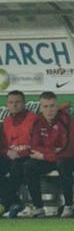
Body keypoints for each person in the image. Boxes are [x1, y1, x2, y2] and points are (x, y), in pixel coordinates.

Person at [21, 92, 74, 217]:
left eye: (52, 106)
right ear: (41, 107)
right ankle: (39, 207)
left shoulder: (66, 120)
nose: (49, 110)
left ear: (57, 106)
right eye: (46, 106)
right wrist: (52, 153)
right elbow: (35, 147)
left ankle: (68, 205)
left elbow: (69, 150)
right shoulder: (37, 121)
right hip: (53, 159)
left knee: (63, 163)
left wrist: (44, 155)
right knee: (28, 165)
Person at [0, 90, 37, 218]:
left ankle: (5, 203)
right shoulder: (6, 122)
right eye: (11, 102)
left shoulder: (34, 119)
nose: (14, 105)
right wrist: (7, 152)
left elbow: (39, 143)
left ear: (24, 103)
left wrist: (22, 153)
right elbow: (3, 146)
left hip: (28, 156)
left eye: (17, 102)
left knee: (17, 167)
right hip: (11, 157)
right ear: (7, 105)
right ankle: (15, 201)